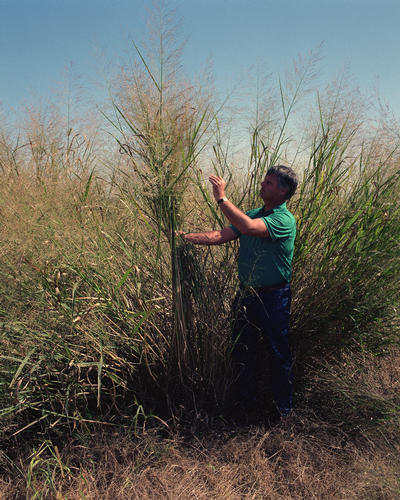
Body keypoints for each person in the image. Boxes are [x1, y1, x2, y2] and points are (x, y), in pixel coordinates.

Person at [180, 165, 298, 423]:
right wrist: (185, 237)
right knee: (242, 350)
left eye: (269, 182)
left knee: (278, 354)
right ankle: (247, 406)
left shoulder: (283, 220)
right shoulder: (254, 213)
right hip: (246, 295)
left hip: (273, 298)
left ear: (283, 190)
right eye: (264, 180)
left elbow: (247, 227)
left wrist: (221, 197)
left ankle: (283, 412)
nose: (263, 184)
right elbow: (221, 235)